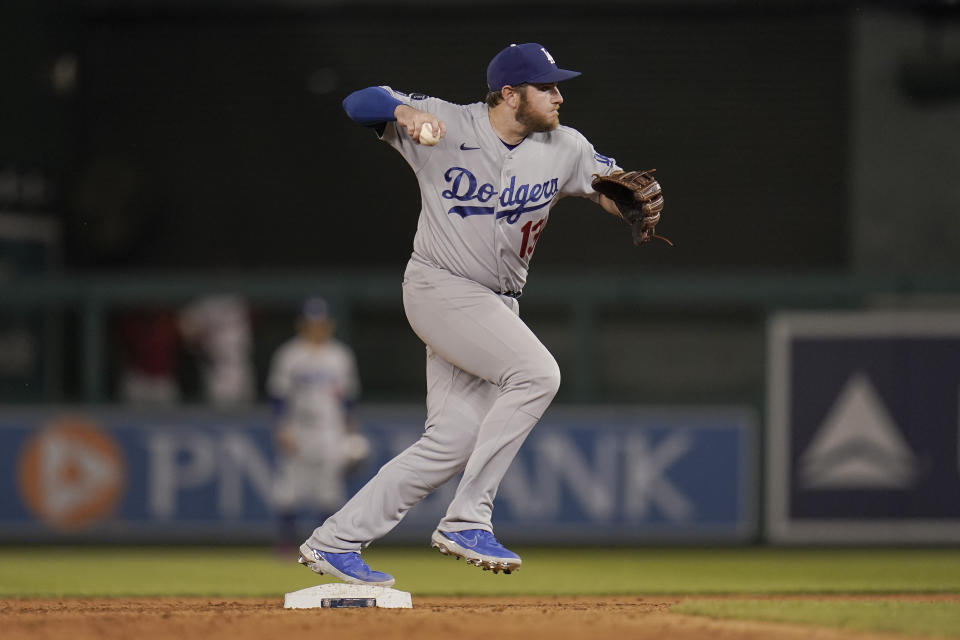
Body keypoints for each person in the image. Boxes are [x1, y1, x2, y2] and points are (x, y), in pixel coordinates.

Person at [298, 42, 662, 587]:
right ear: (510, 94)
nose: (559, 95)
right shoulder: (445, 121)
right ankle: (468, 519)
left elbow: (610, 187)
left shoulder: (566, 146)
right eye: (548, 86)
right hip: (439, 285)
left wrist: (623, 200)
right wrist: (405, 112)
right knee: (537, 374)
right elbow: (357, 102)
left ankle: (335, 541)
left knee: (450, 443)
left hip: (493, 303)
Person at [268, 297, 365, 552]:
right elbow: (278, 396)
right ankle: (287, 546)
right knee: (289, 489)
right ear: (302, 325)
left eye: (321, 323)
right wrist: (282, 427)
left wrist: (351, 430)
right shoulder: (289, 355)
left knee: (329, 490)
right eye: (312, 323)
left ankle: (326, 547)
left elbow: (348, 399)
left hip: (330, 429)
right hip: (298, 428)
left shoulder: (340, 355)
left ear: (329, 325)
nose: (317, 328)